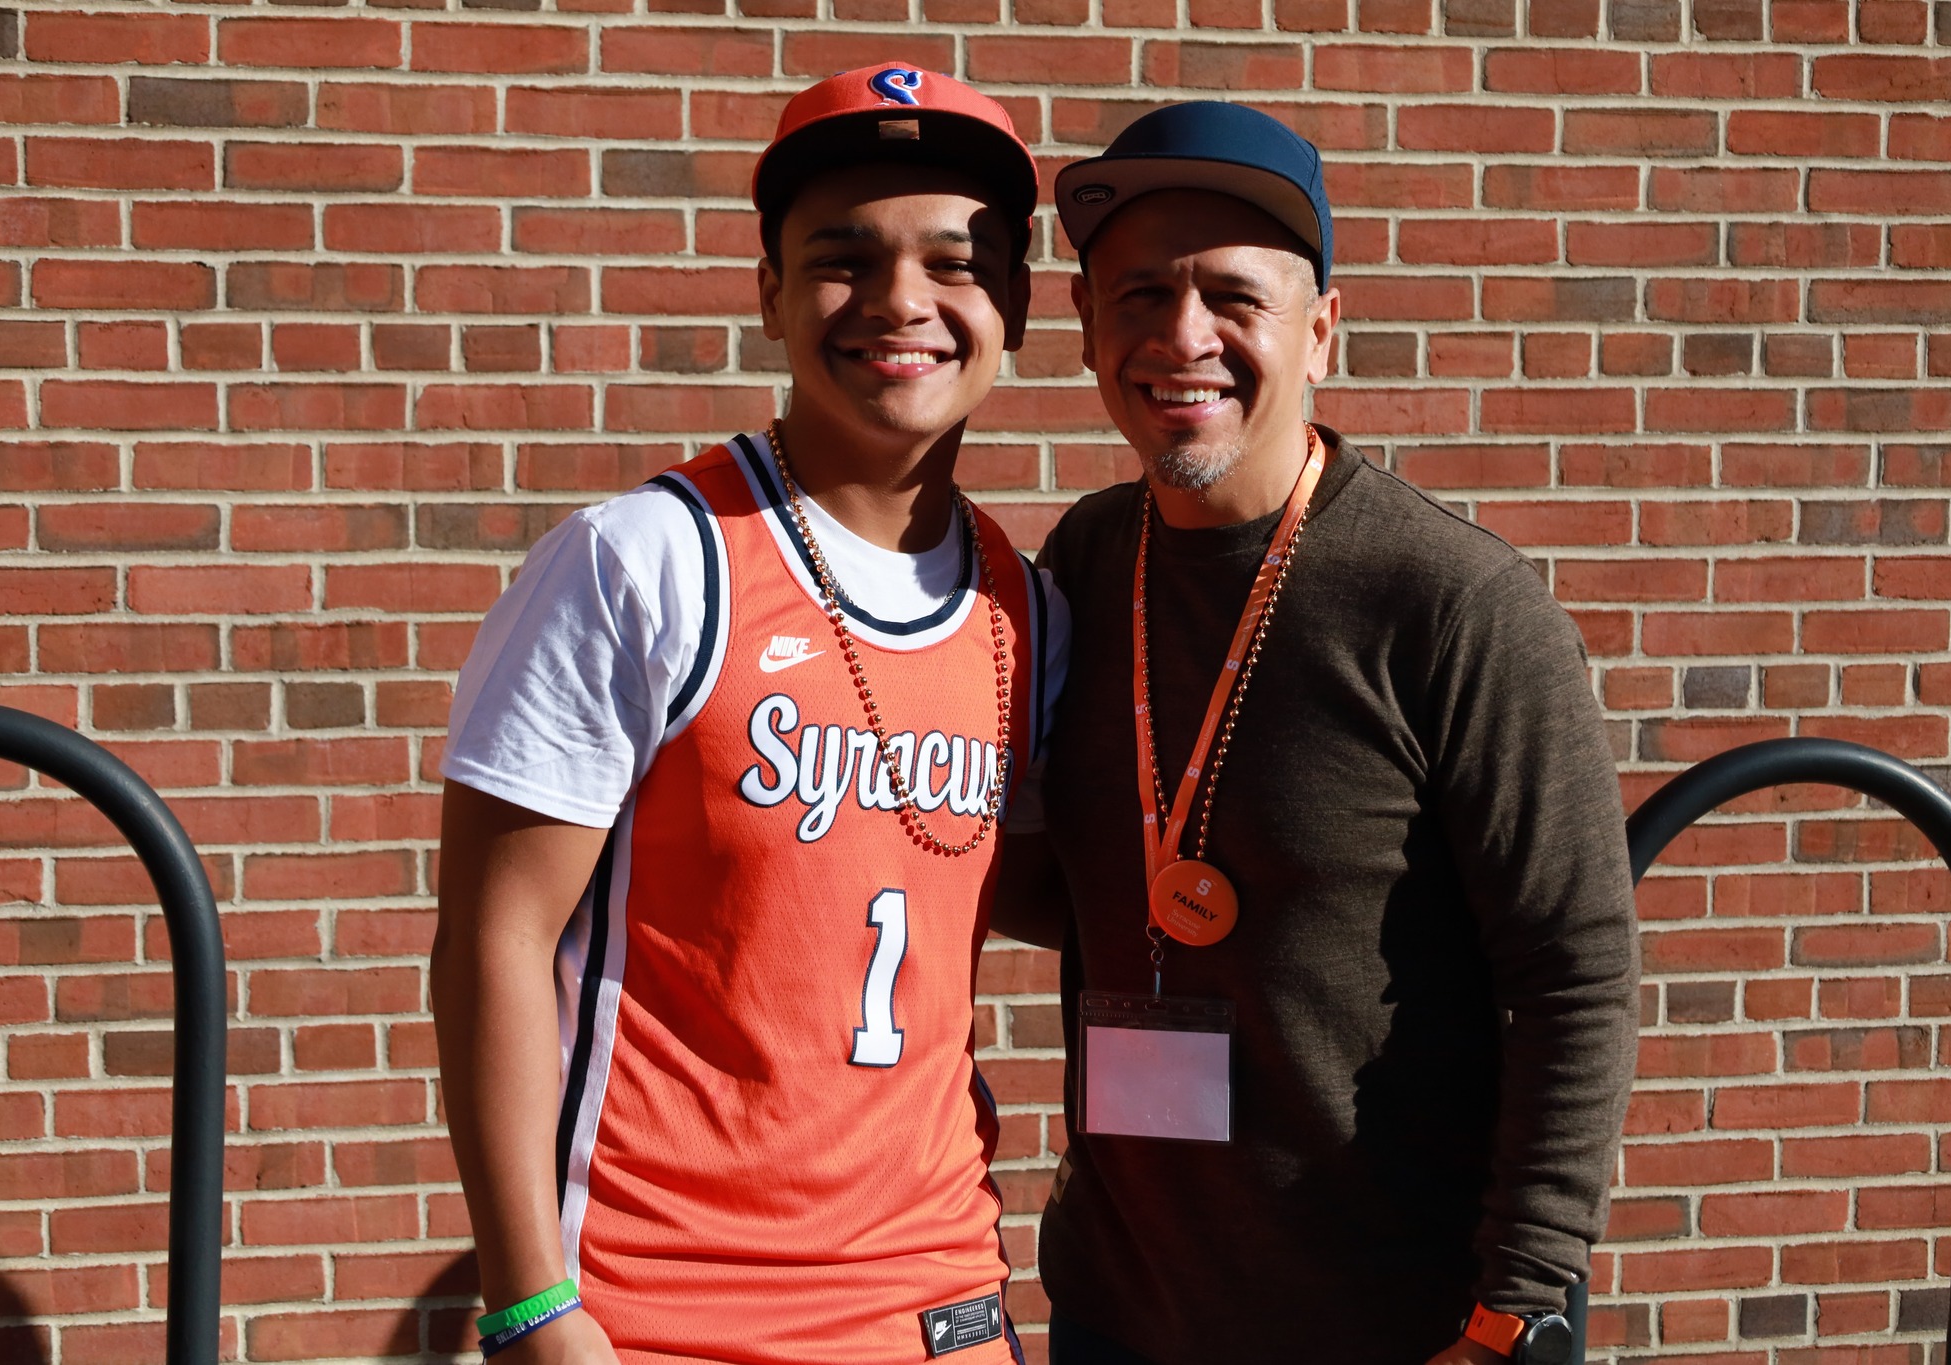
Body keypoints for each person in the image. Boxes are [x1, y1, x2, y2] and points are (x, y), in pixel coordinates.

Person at [433, 64, 1067, 1365]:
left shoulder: (1027, 609)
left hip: (939, 1306)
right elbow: (492, 939)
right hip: (665, 1314)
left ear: (1011, 305)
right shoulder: (645, 562)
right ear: (769, 289)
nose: (902, 302)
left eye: (957, 262)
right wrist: (533, 1306)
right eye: (844, 257)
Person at [994, 103, 1639, 1365]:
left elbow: (1574, 977)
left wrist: (1513, 1310)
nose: (1182, 338)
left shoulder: (1450, 603)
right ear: (1083, 332)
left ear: (1320, 332)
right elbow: (1056, 871)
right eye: (1137, 296)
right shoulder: (1084, 556)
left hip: (1385, 1325)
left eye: (1234, 298)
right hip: (1117, 1313)